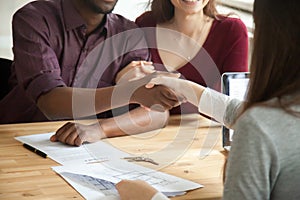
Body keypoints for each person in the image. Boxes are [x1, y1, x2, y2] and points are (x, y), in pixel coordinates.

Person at [116, 0, 300, 199]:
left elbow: (260, 123)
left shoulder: (257, 128)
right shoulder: (277, 117)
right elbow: (250, 116)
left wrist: (150, 197)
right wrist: (185, 88)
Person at [0, 0, 182, 146]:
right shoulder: (34, 19)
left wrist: (101, 129)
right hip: (17, 141)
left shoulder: (129, 34)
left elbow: (156, 113)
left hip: (84, 149)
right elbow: (50, 102)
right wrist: (129, 92)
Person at [135, 0, 248, 114]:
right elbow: (133, 96)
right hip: (149, 130)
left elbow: (234, 109)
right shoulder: (145, 24)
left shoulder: (231, 31)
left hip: (206, 130)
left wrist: (182, 88)